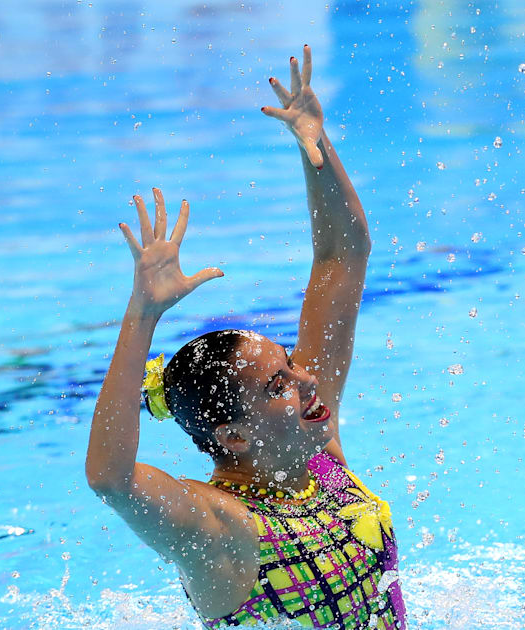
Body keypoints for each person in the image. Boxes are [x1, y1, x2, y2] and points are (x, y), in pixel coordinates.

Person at [84, 47, 406, 628]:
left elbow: (342, 255)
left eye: (291, 363)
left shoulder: (317, 455)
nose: (307, 377)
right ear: (232, 435)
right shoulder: (222, 530)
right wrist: (142, 315)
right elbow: (112, 477)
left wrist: (316, 148)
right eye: (280, 383)